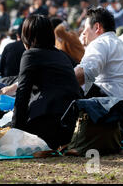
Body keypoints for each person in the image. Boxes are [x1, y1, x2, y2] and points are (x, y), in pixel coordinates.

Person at [74, 7, 123, 137]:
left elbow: (85, 74)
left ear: (97, 27)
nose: (83, 33)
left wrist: (58, 82)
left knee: (69, 79)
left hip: (105, 111)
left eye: (85, 28)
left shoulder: (99, 43)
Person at [11, 15, 81, 150]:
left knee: (4, 127)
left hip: (47, 126)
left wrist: (16, 131)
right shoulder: (62, 55)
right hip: (70, 127)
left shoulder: (30, 55)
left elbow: (22, 94)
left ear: (27, 36)